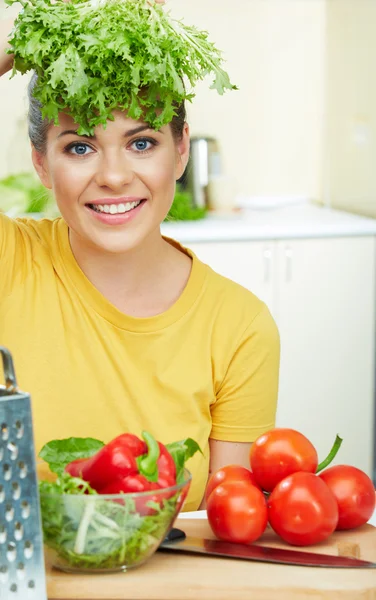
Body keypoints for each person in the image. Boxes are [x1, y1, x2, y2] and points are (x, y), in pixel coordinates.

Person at [0, 1, 280, 511]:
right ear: (42, 163)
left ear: (181, 151)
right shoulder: (9, 262)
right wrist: (18, 50)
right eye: (80, 147)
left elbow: (223, 527)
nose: (112, 176)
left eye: (142, 142)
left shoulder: (240, 327)